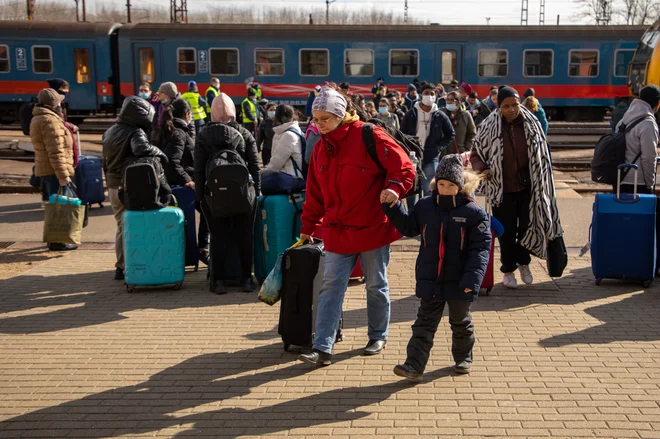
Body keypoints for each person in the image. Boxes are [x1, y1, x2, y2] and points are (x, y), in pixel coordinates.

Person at [297, 86, 415, 366]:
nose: (319, 125)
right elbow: (313, 191)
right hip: (337, 229)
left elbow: (404, 167)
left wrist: (395, 189)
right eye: (315, 119)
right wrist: (308, 225)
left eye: (325, 118)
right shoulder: (319, 149)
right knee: (330, 287)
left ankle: (377, 335)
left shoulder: (369, 135)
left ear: (341, 115)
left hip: (372, 227)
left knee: (376, 284)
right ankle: (322, 347)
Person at [382, 154, 491, 380]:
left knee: (460, 322)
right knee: (423, 324)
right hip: (430, 278)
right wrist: (393, 207)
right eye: (441, 184)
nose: (445, 189)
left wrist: (472, 281)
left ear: (461, 186)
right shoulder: (425, 206)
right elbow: (409, 227)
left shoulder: (473, 213)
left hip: (461, 280)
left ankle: (463, 357)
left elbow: (480, 250)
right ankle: (413, 365)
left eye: (451, 185)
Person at [470, 85, 562, 289]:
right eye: (506, 106)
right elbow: (475, 154)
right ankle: (508, 270)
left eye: (515, 105)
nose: (512, 109)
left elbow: (543, 152)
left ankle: (524, 263)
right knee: (507, 232)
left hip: (530, 189)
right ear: (498, 107)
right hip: (502, 190)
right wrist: (483, 168)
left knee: (527, 227)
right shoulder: (487, 126)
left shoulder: (532, 123)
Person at [194, 93, 261, 295]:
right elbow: (255, 166)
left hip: (213, 196)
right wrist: (255, 192)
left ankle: (218, 281)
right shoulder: (244, 134)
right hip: (242, 195)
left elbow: (198, 169)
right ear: (233, 112)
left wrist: (199, 196)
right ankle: (246, 279)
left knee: (218, 236)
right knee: (244, 236)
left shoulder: (203, 135)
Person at [102, 96, 170, 280]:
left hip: (112, 184)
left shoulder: (109, 131)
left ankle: (121, 265)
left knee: (121, 226)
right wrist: (160, 153)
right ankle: (129, 266)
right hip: (128, 186)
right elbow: (141, 148)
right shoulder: (135, 132)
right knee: (131, 227)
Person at [159, 98, 211, 264]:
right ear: (188, 114)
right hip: (183, 185)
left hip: (174, 183)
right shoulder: (179, 134)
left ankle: (202, 248)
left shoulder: (171, 129)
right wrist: (187, 180)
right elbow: (172, 162)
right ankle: (202, 249)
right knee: (207, 210)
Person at [30, 88, 77, 252]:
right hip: (54, 171)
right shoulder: (49, 121)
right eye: (59, 102)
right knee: (59, 209)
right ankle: (58, 242)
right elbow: (55, 151)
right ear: (54, 104)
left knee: (55, 206)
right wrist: (63, 176)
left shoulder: (43, 117)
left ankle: (55, 240)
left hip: (48, 170)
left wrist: (68, 129)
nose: (61, 104)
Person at [401, 82, 455, 201]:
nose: (429, 96)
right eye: (426, 93)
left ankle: (427, 215)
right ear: (420, 95)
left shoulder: (439, 115)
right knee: (411, 189)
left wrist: (439, 147)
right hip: (412, 157)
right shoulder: (411, 114)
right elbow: (401, 134)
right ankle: (411, 215)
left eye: (432, 94)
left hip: (431, 157)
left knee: (429, 190)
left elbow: (450, 134)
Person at [617, 85, 660, 193]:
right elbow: (649, 157)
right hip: (638, 182)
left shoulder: (623, 121)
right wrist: (650, 183)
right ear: (657, 104)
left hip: (619, 178)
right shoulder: (648, 124)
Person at [264, 105, 304, 177]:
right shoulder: (294, 130)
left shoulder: (288, 135)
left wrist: (264, 172)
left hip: (289, 178)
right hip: (290, 176)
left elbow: (277, 162)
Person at [441, 91, 476, 156]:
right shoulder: (441, 114)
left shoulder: (466, 115)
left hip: (459, 154)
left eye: (452, 100)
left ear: (459, 102)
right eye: (447, 100)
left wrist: (466, 149)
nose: (449, 102)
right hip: (442, 154)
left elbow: (472, 134)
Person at [151, 82, 183, 147]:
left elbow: (190, 128)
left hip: (174, 143)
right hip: (158, 141)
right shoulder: (157, 105)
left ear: (169, 94)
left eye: (161, 92)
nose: (158, 93)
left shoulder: (180, 106)